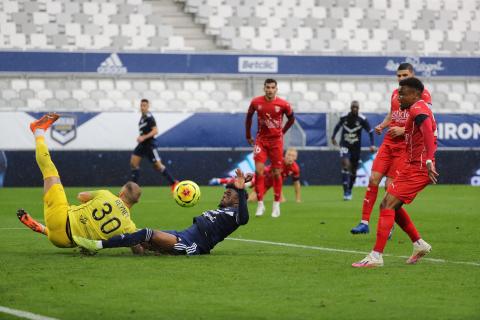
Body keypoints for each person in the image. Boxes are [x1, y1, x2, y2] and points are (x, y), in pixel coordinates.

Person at [17, 113, 142, 252]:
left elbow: (81, 196)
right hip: (64, 242)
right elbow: (136, 246)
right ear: (135, 202)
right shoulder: (128, 226)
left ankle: (38, 130)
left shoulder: (106, 195)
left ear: (122, 192)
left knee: (49, 170)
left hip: (60, 218)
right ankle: (43, 229)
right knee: (81, 232)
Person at [352, 77, 438, 268]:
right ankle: (418, 244)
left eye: (403, 93)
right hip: (411, 164)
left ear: (415, 94)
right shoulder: (414, 110)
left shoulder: (418, 109)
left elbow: (428, 133)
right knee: (393, 204)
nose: (398, 97)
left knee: (386, 205)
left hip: (419, 167)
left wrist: (430, 160)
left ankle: (376, 256)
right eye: (398, 93)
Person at [73, 169, 250, 256]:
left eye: (229, 194)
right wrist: (240, 184)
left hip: (192, 245)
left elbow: (244, 218)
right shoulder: (225, 210)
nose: (224, 194)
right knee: (141, 237)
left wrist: (241, 191)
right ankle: (143, 250)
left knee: (146, 233)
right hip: (182, 235)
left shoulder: (236, 215)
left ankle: (96, 245)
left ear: (237, 200)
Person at [245, 79, 295, 218]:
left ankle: (276, 205)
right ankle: (260, 204)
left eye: (272, 87)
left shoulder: (283, 104)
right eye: (268, 87)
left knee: (276, 173)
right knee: (259, 171)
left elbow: (292, 119)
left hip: (276, 142)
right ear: (264, 88)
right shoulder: (256, 102)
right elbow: (248, 118)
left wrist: (282, 132)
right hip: (261, 141)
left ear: (276, 89)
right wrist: (248, 135)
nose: (270, 90)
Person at [209, 148, 302, 205]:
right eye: (289, 155)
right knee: (244, 183)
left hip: (267, 185)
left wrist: (298, 199)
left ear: (296, 158)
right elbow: (274, 178)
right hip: (260, 177)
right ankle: (219, 180)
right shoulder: (278, 162)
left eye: (293, 155)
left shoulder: (295, 168)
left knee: (250, 200)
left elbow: (296, 183)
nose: (290, 157)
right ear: (285, 155)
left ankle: (235, 198)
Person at [331, 101, 375, 200]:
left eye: (356, 107)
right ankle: (345, 190)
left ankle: (349, 189)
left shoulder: (362, 119)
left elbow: (370, 131)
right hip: (345, 144)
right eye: (353, 107)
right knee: (345, 165)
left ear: (358, 108)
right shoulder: (344, 117)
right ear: (350, 108)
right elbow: (338, 126)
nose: (355, 109)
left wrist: (372, 144)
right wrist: (333, 137)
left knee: (353, 170)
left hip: (356, 147)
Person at [130, 99, 178, 189]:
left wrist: (143, 137)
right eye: (141, 105)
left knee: (158, 166)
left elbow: (155, 131)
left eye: (144, 105)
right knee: (133, 163)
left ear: (148, 106)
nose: (142, 107)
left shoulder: (149, 117)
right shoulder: (142, 118)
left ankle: (174, 183)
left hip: (149, 144)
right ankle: (133, 187)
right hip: (142, 144)